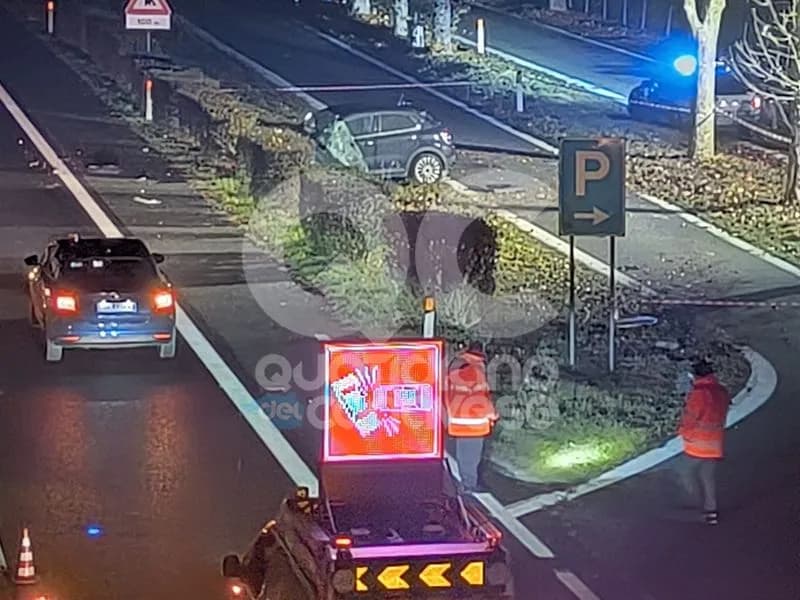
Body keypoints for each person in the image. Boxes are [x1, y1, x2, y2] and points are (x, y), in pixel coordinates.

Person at [677, 357, 731, 525]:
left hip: (697, 444)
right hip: (715, 443)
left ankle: (696, 505)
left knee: (685, 472)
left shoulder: (699, 394)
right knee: (708, 477)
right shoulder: (722, 391)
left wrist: (682, 432)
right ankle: (711, 511)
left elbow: (691, 418)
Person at [445, 340, 498, 492]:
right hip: (474, 420)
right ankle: (470, 485)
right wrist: (492, 415)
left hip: (457, 419)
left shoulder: (455, 366)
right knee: (473, 455)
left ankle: (464, 480)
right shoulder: (477, 370)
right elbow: (481, 398)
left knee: (463, 453)